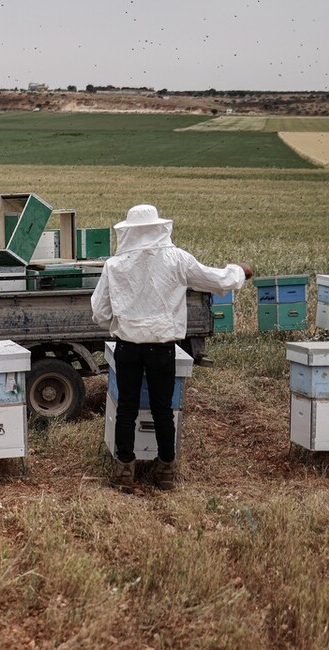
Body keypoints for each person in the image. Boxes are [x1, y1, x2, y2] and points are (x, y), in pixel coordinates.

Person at [90, 204, 252, 491]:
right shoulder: (177, 259)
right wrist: (239, 271)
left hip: (127, 347)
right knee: (162, 409)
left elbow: (100, 313)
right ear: (158, 228)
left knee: (126, 408)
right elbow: (217, 280)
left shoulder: (114, 265)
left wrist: (123, 324)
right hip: (162, 349)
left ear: (128, 231)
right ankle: (165, 470)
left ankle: (125, 470)